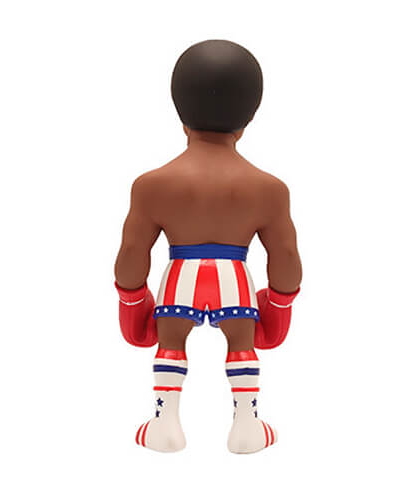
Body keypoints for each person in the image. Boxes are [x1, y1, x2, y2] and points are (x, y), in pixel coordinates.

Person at [115, 40, 302, 453]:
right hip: (234, 280)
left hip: (179, 278)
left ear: (179, 112)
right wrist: (280, 305)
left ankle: (164, 422)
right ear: (249, 118)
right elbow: (286, 258)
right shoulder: (269, 189)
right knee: (242, 347)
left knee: (169, 346)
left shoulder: (152, 185)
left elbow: (131, 254)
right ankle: (247, 425)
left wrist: (132, 302)